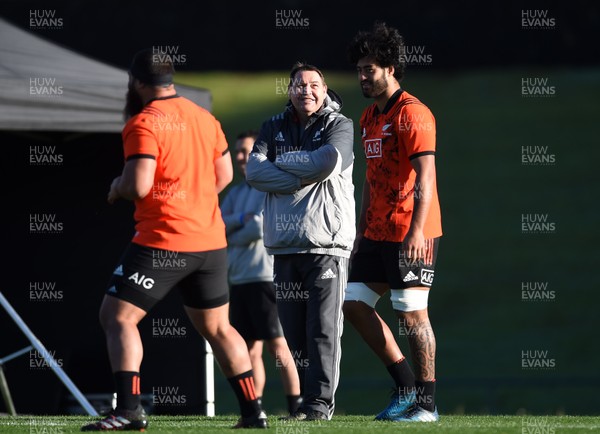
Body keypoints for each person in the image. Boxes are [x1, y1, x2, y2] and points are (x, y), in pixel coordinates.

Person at [81, 49, 267, 430]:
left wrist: (118, 186)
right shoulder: (204, 118)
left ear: (136, 82)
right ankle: (254, 413)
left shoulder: (143, 122)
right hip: (210, 243)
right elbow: (224, 175)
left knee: (117, 317)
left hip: (164, 239)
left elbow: (138, 184)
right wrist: (192, 197)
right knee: (219, 329)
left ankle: (129, 410)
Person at [343, 22, 443, 423]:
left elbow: (427, 176)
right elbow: (371, 175)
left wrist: (417, 229)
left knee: (411, 313)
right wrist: (359, 229)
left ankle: (428, 404)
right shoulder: (369, 116)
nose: (363, 76)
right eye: (360, 69)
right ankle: (405, 386)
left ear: (391, 68)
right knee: (353, 304)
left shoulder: (412, 113)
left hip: (410, 231)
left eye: (370, 68)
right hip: (376, 232)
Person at [245, 62, 355, 421]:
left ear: (324, 91)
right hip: (284, 245)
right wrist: (297, 176)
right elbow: (253, 171)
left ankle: (320, 405)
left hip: (326, 245)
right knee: (294, 334)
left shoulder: (339, 125)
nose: (305, 90)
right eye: (298, 85)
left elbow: (327, 164)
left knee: (322, 331)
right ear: (289, 90)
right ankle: (306, 406)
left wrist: (281, 164)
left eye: (313, 85)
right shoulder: (272, 126)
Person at [221, 130, 302, 415]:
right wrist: (241, 222)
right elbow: (219, 226)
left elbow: (261, 227)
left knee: (278, 346)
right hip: (239, 279)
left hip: (266, 278)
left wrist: (236, 230)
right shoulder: (235, 192)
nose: (241, 158)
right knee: (249, 349)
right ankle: (254, 408)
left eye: (246, 151)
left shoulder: (268, 187)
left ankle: (297, 407)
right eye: (237, 153)